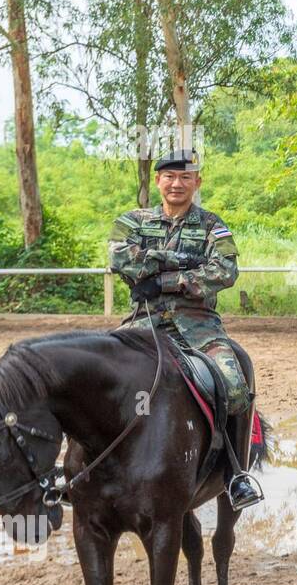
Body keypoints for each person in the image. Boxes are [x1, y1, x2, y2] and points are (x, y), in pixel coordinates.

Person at [108, 148, 262, 510]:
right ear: (158, 180)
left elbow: (224, 272)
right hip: (141, 323)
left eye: (185, 177)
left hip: (199, 326)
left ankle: (235, 474)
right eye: (170, 177)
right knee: (95, 375)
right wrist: (185, 263)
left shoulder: (212, 224)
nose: (177, 184)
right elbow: (120, 259)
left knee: (235, 386)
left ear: (197, 182)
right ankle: (83, 469)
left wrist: (163, 278)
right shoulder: (131, 222)